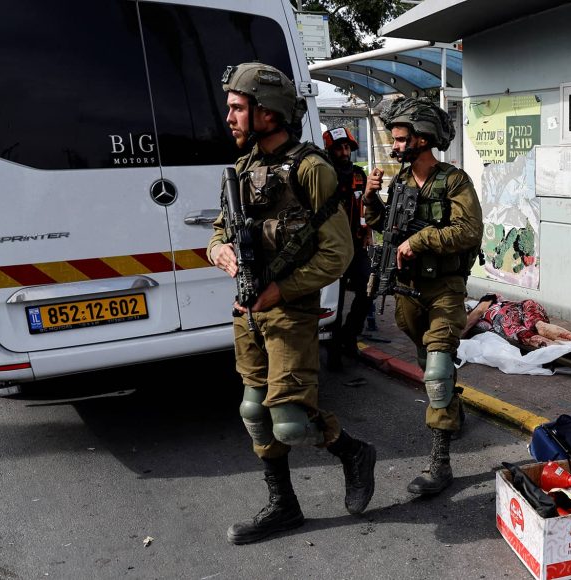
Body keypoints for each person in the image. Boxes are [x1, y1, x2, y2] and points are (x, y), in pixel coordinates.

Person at [207, 63, 376, 545]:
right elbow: (221, 230)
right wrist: (219, 251)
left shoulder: (311, 169)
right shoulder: (241, 169)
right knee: (253, 411)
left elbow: (338, 253)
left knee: (290, 421)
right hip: (249, 311)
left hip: (290, 310)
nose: (231, 118)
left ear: (268, 112)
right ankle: (284, 507)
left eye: (239, 108)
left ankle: (354, 452)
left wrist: (281, 289)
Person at [363, 97, 482, 496]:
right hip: (407, 292)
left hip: (444, 289)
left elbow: (469, 231)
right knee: (432, 363)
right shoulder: (398, 183)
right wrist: (370, 199)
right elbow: (387, 229)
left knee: (434, 373)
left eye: (400, 140)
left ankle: (440, 463)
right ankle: (452, 403)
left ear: (422, 138)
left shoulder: (454, 181)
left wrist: (424, 238)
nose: (394, 147)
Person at [321, 127, 374, 370]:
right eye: (339, 148)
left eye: (346, 148)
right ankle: (333, 356)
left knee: (368, 290)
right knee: (337, 302)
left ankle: (349, 336)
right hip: (330, 249)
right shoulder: (323, 176)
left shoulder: (359, 175)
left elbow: (365, 206)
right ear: (330, 151)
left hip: (356, 245)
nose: (344, 152)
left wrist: (368, 232)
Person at [463, 293, 571, 359]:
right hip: (510, 324)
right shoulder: (478, 324)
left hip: (520, 309)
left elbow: (478, 312)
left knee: (541, 327)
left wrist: (456, 337)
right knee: (531, 336)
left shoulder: (485, 300)